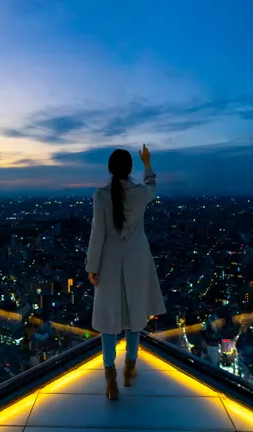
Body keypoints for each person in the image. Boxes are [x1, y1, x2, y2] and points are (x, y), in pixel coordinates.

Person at [85, 144, 167, 400]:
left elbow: (97, 236)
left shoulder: (100, 196)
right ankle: (130, 368)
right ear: (130, 167)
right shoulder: (141, 193)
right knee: (134, 315)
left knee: (109, 321)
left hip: (108, 262)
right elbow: (152, 185)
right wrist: (148, 164)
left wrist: (92, 267)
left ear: (110, 169)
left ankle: (110, 380)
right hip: (137, 260)